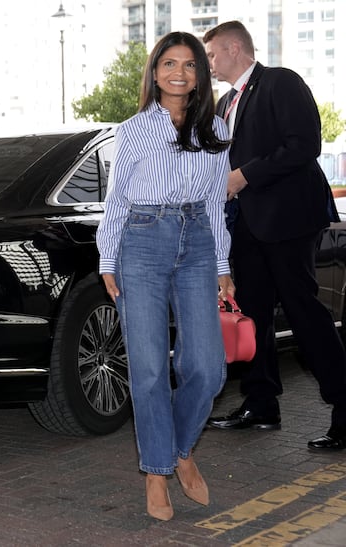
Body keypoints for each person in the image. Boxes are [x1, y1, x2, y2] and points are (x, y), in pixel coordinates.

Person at [96, 31, 233, 521]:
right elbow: (116, 199)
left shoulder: (214, 128)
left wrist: (223, 266)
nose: (179, 72)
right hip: (142, 241)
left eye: (189, 64)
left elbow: (216, 202)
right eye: (169, 64)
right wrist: (106, 257)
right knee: (150, 369)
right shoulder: (132, 129)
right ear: (154, 73)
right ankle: (158, 472)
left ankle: (179, 448)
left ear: (201, 73)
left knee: (207, 367)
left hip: (198, 240)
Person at [202, 21, 346, 451]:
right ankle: (261, 404)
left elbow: (304, 145)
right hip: (244, 226)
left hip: (288, 219)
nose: (208, 63)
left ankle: (343, 409)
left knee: (305, 313)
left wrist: (244, 176)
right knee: (254, 316)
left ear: (234, 48)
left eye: (211, 55)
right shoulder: (225, 102)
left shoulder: (280, 82)